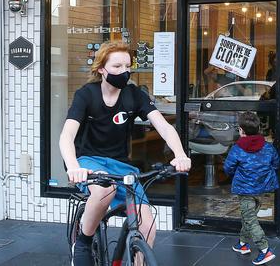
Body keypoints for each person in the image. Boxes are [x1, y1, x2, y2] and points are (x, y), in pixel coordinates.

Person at [59, 41, 191, 266]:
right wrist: (73, 166)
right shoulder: (86, 95)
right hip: (88, 161)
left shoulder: (134, 95)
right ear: (102, 69)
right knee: (104, 191)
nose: (124, 72)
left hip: (121, 164)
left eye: (127, 66)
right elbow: (67, 136)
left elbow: (164, 126)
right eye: (117, 66)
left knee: (147, 224)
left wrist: (180, 154)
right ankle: (83, 241)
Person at [224, 111, 279, 265]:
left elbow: (228, 168)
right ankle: (242, 244)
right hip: (262, 187)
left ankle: (265, 250)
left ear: (241, 130)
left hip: (244, 189)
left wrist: (239, 176)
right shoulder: (268, 147)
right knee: (248, 216)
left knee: (250, 219)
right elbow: (275, 164)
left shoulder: (237, 148)